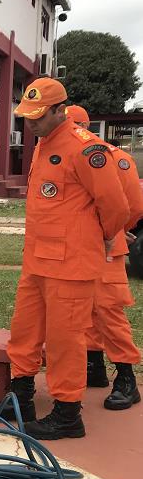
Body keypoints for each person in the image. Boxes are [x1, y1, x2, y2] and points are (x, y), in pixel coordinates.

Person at [0, 79, 130, 439]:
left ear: (61, 110)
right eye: (26, 118)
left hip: (72, 265)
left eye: (38, 117)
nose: (31, 125)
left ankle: (67, 413)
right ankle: (22, 397)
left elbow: (117, 208)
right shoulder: (43, 145)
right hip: (37, 260)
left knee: (65, 340)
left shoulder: (87, 150)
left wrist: (102, 239)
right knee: (25, 331)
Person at [67, 105, 143, 410]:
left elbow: (133, 207)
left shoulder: (115, 158)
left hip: (107, 246)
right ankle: (94, 365)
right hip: (76, 247)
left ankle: (126, 377)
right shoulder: (65, 157)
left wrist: (114, 231)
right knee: (83, 309)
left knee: (109, 311)